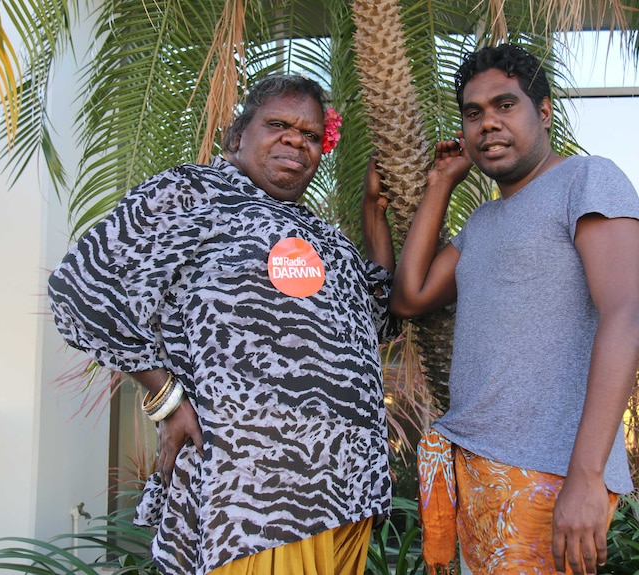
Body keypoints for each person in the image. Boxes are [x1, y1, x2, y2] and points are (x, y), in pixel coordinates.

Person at [48, 74, 396, 575]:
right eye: (278, 124)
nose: (296, 140)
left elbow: (374, 317)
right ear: (238, 136)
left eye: (312, 135)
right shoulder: (193, 194)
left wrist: (372, 212)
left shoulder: (320, 232)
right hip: (252, 495)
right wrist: (165, 397)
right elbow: (81, 287)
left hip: (344, 489)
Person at [388, 44, 639, 575]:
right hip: (473, 465)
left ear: (545, 110)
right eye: (473, 113)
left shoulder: (586, 179)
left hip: (549, 473)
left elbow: (625, 314)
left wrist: (587, 478)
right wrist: (440, 183)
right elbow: (409, 297)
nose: (488, 124)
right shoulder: (482, 224)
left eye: (506, 106)